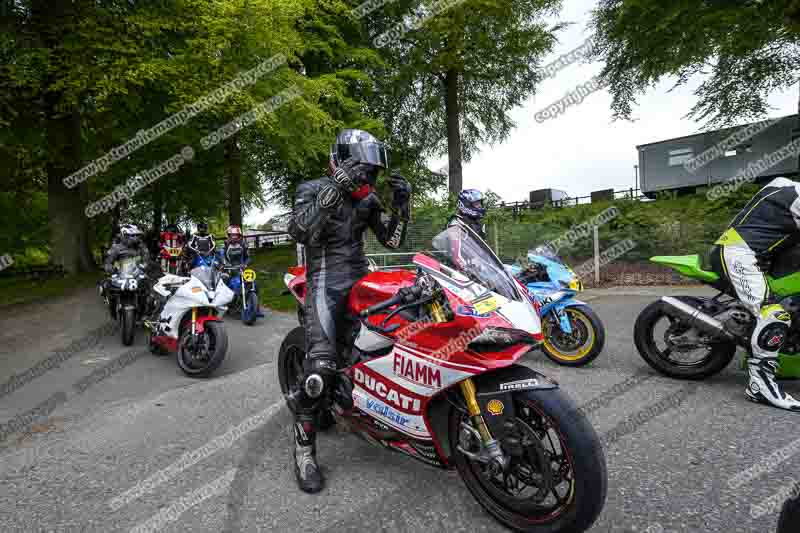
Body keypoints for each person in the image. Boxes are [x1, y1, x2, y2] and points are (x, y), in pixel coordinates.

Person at [287, 128, 412, 493]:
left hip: (361, 279)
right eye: (364, 169)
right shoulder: (311, 188)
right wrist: (336, 189)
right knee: (319, 371)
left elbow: (392, 240)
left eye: (374, 172)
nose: (369, 177)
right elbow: (299, 230)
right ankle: (304, 450)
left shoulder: (369, 199)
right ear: (341, 162)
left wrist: (402, 207)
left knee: (395, 340)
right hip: (324, 283)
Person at [708, 177, 800, 411]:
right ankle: (760, 385)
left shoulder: (784, 185)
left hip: (761, 254)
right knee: (774, 314)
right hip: (740, 255)